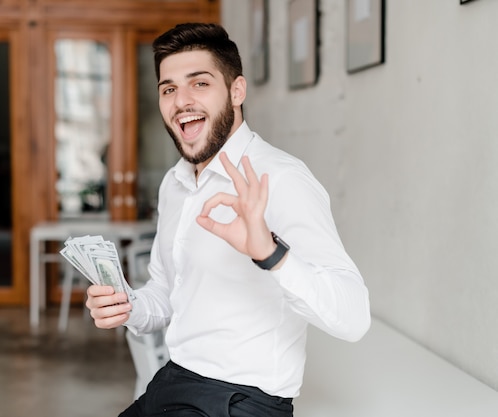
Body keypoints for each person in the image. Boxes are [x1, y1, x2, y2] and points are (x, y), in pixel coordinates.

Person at [86, 22, 371, 416]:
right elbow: (168, 291)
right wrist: (127, 306)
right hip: (174, 380)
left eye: (199, 83)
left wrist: (270, 253)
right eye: (168, 89)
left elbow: (353, 318)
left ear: (237, 91)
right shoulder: (176, 183)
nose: (181, 100)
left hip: (242, 401)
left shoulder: (281, 179)